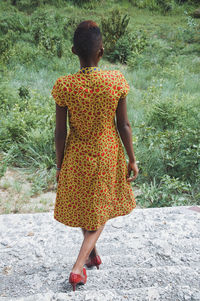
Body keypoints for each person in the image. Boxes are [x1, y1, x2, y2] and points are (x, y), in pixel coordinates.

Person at [51, 20, 139, 292]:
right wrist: (131, 159)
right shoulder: (115, 81)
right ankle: (78, 268)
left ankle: (92, 255)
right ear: (101, 51)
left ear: (74, 51)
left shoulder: (65, 86)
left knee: (88, 206)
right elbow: (123, 125)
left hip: (76, 154)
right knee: (100, 209)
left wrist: (60, 163)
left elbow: (60, 131)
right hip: (107, 153)